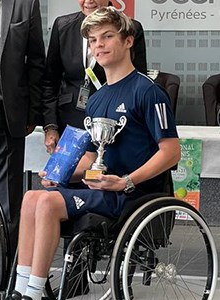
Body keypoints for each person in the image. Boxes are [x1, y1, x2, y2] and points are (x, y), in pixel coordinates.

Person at [10, 7, 180, 300]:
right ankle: (19, 288)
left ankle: (34, 293)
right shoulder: (97, 98)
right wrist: (58, 173)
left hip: (132, 194)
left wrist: (126, 181)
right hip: (102, 188)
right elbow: (90, 158)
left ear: (128, 41)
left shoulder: (148, 92)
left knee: (48, 204)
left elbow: (171, 152)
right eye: (92, 40)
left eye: (107, 36)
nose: (98, 45)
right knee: (32, 197)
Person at [0, 0, 46, 266]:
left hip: (6, 110)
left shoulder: (25, 3)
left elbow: (36, 61)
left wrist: (32, 113)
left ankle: (7, 275)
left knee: (7, 201)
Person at [41, 0, 147, 154]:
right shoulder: (63, 26)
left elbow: (136, 79)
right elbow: (50, 82)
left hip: (115, 122)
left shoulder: (129, 28)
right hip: (71, 122)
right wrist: (50, 126)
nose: (89, 1)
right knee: (69, 176)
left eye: (107, 36)